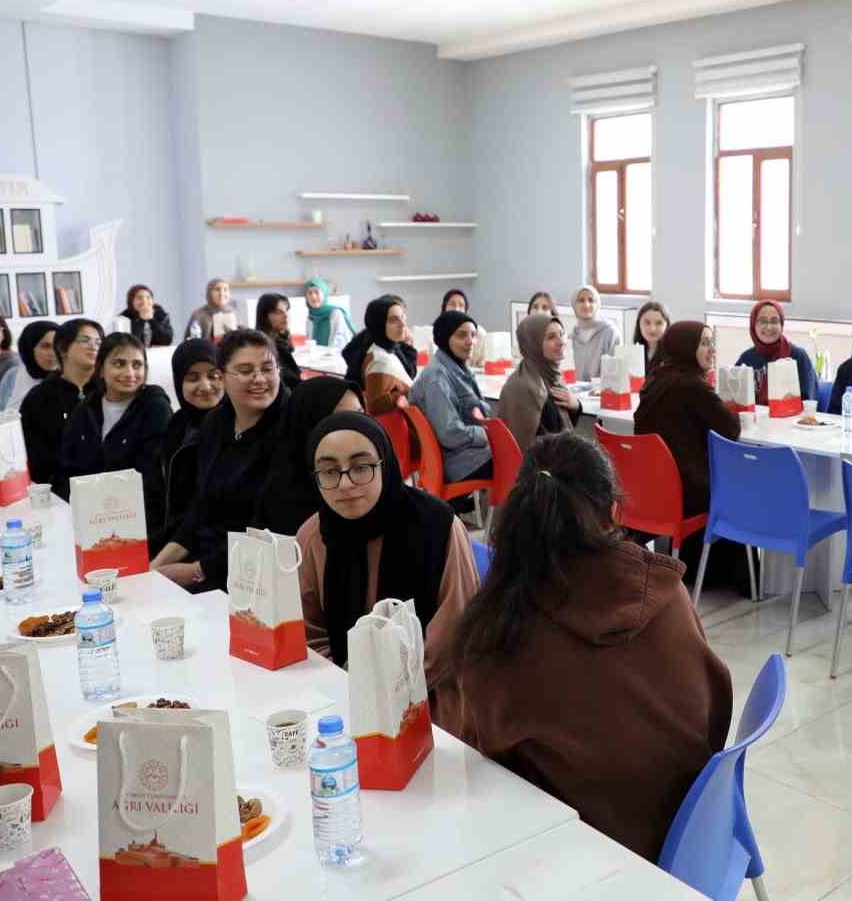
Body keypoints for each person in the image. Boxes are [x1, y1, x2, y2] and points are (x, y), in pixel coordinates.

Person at [440, 433, 732, 860]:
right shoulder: (665, 589)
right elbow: (713, 696)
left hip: (588, 855)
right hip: (694, 834)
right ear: (614, 509)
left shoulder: (500, 632)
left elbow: (481, 757)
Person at [299, 412, 480, 726]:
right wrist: (345, 682)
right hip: (342, 696)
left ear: (385, 464)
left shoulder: (437, 527)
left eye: (361, 467)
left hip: (432, 700)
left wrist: (388, 691)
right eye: (329, 472)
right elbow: (308, 630)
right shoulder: (314, 534)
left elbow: (454, 632)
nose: (345, 484)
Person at [153, 329, 288, 592]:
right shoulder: (216, 423)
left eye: (267, 368)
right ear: (224, 376)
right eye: (246, 370)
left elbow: (270, 528)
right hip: (205, 558)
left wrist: (198, 571)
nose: (259, 379)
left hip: (253, 573)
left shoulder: (289, 428)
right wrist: (155, 566)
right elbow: (201, 507)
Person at [54, 334, 172, 516]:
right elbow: (68, 467)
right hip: (86, 511)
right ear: (101, 369)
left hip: (137, 514)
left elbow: (150, 475)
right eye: (119, 364)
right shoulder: (86, 409)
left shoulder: (155, 407)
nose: (129, 373)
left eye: (137, 365)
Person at [635, 321, 740, 517]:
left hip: (653, 489)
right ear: (686, 347)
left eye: (712, 342)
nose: (712, 349)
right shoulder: (693, 385)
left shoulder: (656, 378)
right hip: (690, 493)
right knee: (738, 487)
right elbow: (731, 430)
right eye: (705, 343)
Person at [254, 377, 362, 536]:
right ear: (309, 426)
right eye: (340, 419)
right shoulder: (282, 499)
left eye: (360, 415)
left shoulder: (375, 471)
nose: (358, 428)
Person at [151, 339, 222, 557]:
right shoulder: (177, 424)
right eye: (193, 377)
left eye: (213, 375)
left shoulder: (230, 428)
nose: (205, 386)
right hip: (169, 539)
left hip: (205, 548)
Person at [410, 311, 493, 489]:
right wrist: (487, 434)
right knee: (526, 463)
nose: (471, 341)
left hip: (464, 455)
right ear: (445, 338)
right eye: (462, 335)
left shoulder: (457, 366)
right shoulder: (437, 378)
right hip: (459, 462)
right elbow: (450, 433)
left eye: (473, 334)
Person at [21, 319, 103, 489]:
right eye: (84, 340)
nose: (94, 346)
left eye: (98, 342)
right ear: (62, 348)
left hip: (109, 486)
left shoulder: (109, 390)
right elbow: (34, 457)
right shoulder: (39, 397)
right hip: (59, 492)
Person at [497, 314, 580, 453]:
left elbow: (559, 426)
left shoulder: (552, 376)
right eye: (551, 337)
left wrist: (576, 405)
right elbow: (528, 449)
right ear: (533, 343)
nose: (561, 342)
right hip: (536, 469)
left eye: (562, 334)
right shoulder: (524, 386)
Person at [736, 299, 818, 405]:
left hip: (790, 420)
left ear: (781, 325)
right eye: (763, 321)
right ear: (753, 325)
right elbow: (736, 398)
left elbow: (808, 401)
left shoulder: (798, 356)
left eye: (774, 321)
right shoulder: (746, 358)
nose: (769, 327)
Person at [342, 295, 418, 385]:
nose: (403, 324)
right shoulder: (381, 357)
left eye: (403, 316)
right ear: (380, 323)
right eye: (394, 319)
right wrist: (408, 346)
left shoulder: (381, 340)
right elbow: (408, 376)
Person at [0, 320, 59, 414]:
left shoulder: (72, 377)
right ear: (29, 348)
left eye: (57, 345)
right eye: (46, 346)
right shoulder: (12, 376)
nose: (53, 353)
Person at [254, 293, 303, 392]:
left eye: (287, 310)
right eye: (278, 312)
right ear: (265, 316)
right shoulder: (266, 345)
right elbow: (292, 382)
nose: (286, 316)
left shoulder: (280, 339)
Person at [568, 284, 618, 380]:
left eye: (591, 300)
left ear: (598, 304)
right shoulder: (571, 337)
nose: (586, 305)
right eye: (581, 300)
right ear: (574, 305)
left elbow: (615, 370)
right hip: (576, 392)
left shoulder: (610, 332)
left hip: (603, 391)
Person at [304, 279, 354, 351]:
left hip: (334, 358)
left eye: (316, 292)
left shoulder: (335, 313)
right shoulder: (310, 317)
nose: (313, 296)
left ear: (324, 294)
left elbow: (341, 341)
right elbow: (310, 341)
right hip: (315, 358)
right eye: (309, 293)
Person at [631, 300, 670, 370]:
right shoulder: (632, 352)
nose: (652, 329)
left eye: (659, 323)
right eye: (647, 322)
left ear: (667, 326)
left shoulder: (672, 354)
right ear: (639, 324)